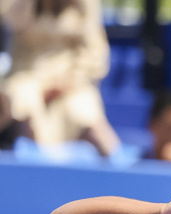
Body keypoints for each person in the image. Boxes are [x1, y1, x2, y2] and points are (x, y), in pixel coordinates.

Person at [0, 0, 121, 156]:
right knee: (21, 103)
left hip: (71, 83)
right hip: (25, 77)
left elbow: (95, 55)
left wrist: (69, 81)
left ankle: (121, 164)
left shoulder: (86, 5)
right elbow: (10, 19)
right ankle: (36, 164)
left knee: (87, 116)